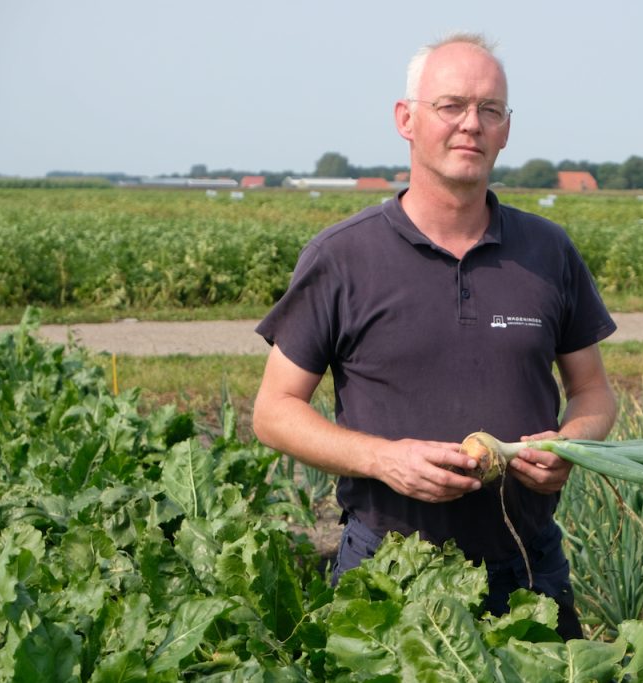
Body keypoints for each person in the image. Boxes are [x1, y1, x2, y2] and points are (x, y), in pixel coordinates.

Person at [251, 32, 617, 640]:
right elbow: (273, 411)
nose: (470, 124)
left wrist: (571, 445)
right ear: (407, 120)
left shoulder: (548, 252)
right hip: (390, 570)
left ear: (506, 129)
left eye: (489, 110)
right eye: (450, 106)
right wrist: (383, 459)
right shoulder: (343, 256)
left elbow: (595, 393)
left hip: (527, 570)